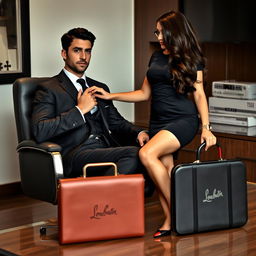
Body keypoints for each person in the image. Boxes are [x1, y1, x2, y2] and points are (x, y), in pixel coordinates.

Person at [91, 11, 217, 238]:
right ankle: (171, 221)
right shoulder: (156, 57)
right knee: (164, 169)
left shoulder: (191, 57)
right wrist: (111, 96)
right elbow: (144, 93)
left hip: (183, 120)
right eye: (156, 32)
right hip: (158, 122)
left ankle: (182, 211)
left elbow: (199, 95)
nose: (158, 36)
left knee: (147, 154)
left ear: (174, 31)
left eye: (161, 31)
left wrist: (206, 128)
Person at [31, 27, 150, 183]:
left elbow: (117, 123)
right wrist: (80, 110)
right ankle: (99, 198)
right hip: (75, 153)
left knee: (150, 150)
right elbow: (41, 130)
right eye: (77, 50)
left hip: (105, 148)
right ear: (64, 54)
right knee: (133, 155)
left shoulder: (99, 87)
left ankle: (96, 199)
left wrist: (139, 132)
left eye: (88, 51)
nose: (83, 57)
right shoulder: (49, 88)